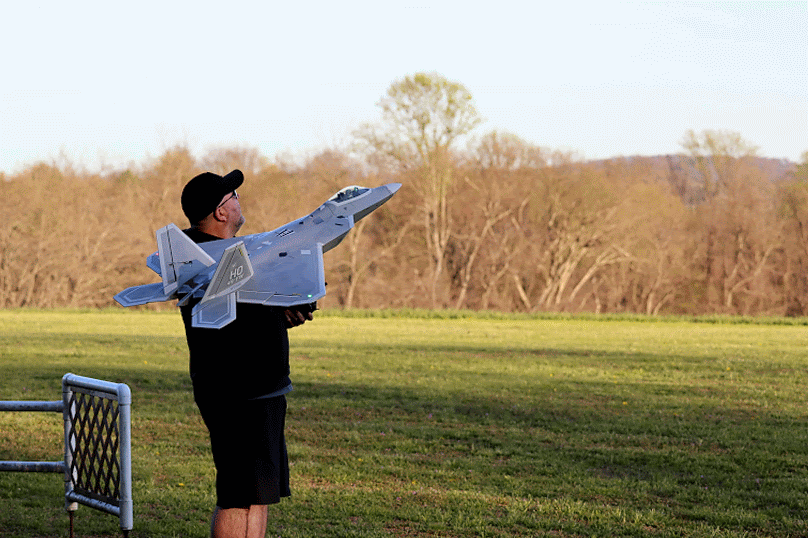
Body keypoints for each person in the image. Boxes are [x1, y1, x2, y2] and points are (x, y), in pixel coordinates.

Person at [178, 169, 312, 538]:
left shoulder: (225, 256)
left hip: (260, 389)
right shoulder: (207, 262)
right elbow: (219, 324)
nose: (239, 200)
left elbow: (242, 316)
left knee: (258, 495)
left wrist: (283, 312)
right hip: (239, 393)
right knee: (239, 495)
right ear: (220, 212)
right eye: (232, 196)